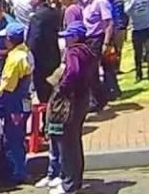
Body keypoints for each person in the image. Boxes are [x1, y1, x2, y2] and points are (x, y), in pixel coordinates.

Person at [45, 21, 100, 194]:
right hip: (83, 99)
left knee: (67, 144)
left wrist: (62, 87)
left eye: (68, 36)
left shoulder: (74, 52)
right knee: (75, 142)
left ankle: (69, 185)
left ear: (75, 37)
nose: (66, 40)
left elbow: (73, 71)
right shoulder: (88, 52)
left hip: (72, 100)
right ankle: (76, 181)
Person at [0, 24, 32, 185]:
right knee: (18, 136)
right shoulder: (26, 53)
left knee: (12, 138)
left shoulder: (14, 59)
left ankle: (16, 173)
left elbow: (8, 86)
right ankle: (14, 169)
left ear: (9, 40)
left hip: (14, 103)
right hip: (24, 100)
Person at [27, 0, 62, 104]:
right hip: (54, 55)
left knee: (43, 91)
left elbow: (34, 40)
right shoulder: (55, 13)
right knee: (54, 88)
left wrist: (29, 55)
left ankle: (46, 117)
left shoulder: (37, 16)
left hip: (41, 60)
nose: (29, 2)